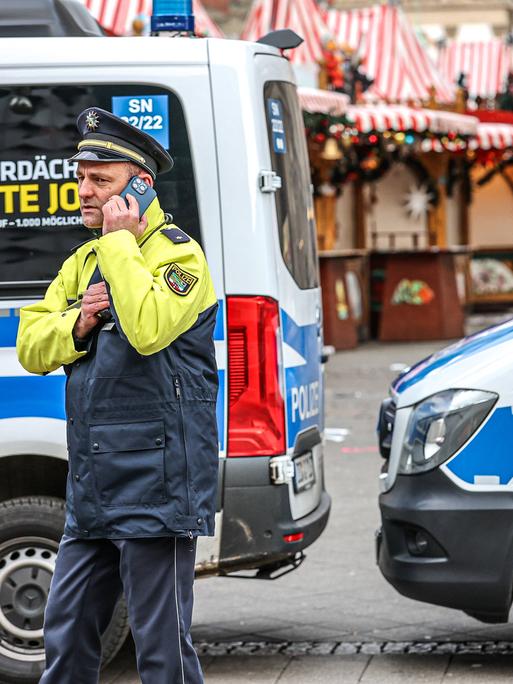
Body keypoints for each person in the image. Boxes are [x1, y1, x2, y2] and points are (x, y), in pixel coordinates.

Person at [16, 107, 219, 684]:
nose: (84, 191)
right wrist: (77, 324)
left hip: (158, 481)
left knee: (162, 650)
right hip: (94, 485)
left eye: (100, 180)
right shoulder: (81, 262)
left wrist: (122, 247)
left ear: (140, 186)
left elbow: (150, 326)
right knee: (67, 632)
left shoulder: (179, 255)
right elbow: (33, 345)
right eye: (81, 178)